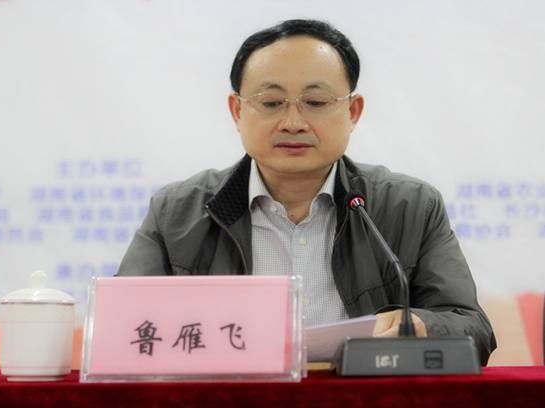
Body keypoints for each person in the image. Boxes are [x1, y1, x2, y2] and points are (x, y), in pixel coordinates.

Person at [117, 19, 496, 365]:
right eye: (271, 103)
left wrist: (420, 325)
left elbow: (473, 330)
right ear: (237, 111)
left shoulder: (410, 207)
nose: (293, 122)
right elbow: (120, 332)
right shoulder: (176, 213)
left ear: (353, 112)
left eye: (316, 102)